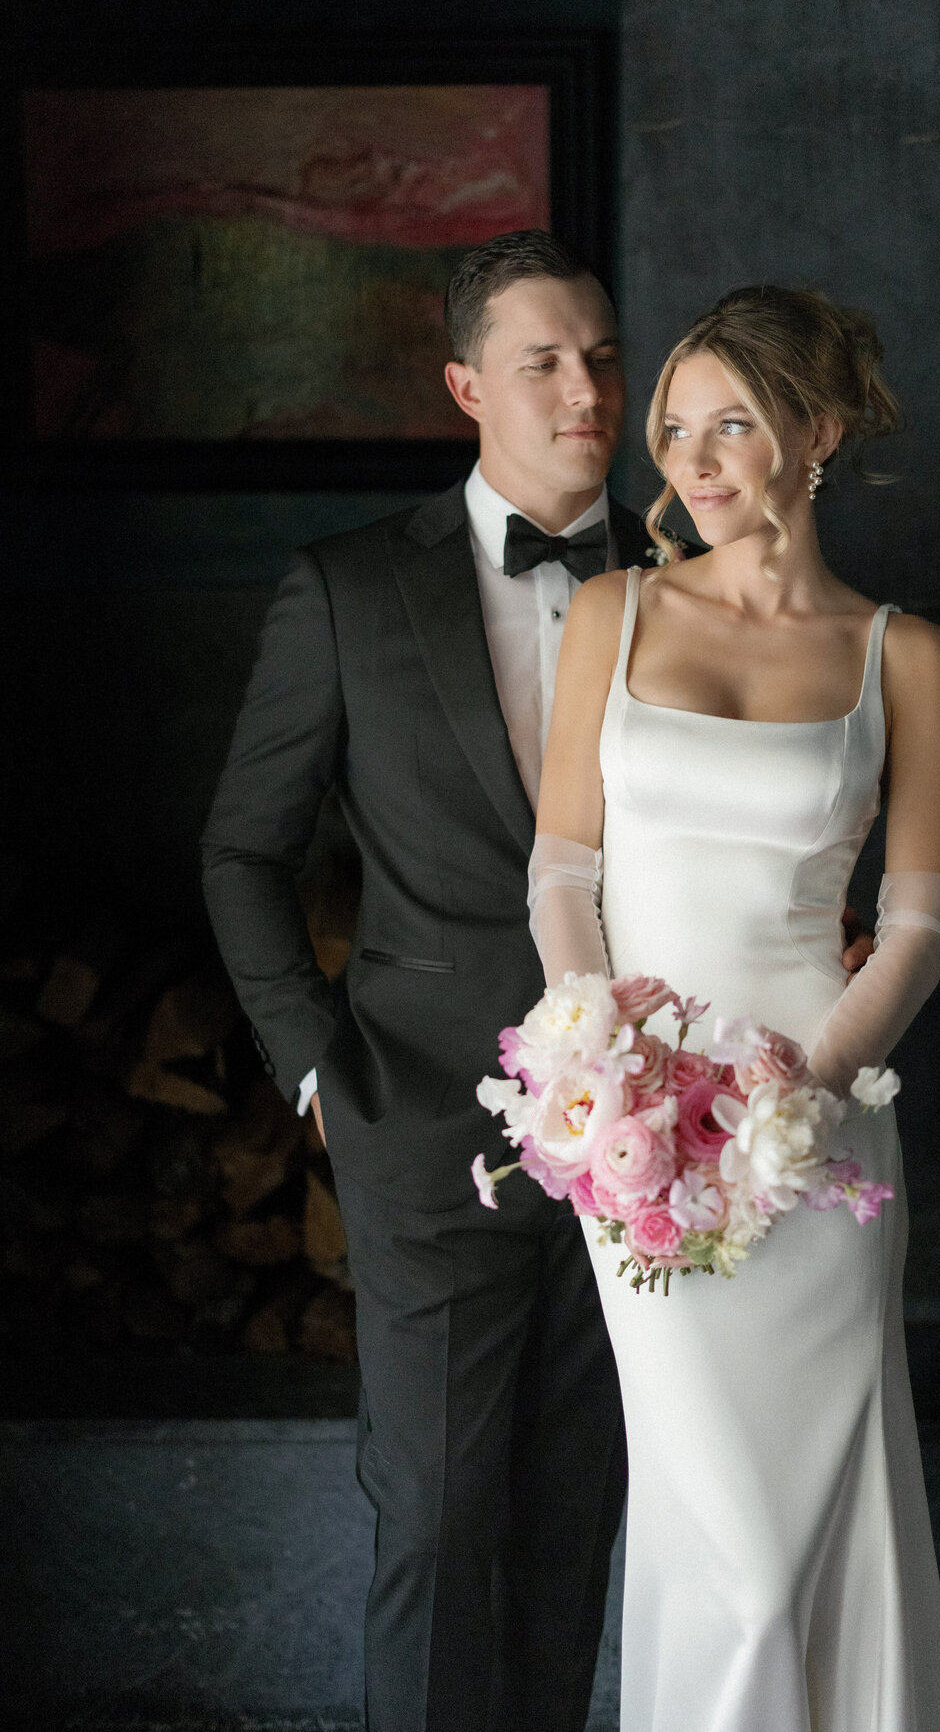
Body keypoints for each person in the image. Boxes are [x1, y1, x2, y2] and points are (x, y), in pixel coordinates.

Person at [530, 284, 940, 1730]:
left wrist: (800, 1083)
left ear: (822, 433)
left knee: (806, 1517)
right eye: (675, 431)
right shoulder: (612, 615)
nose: (694, 461)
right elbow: (562, 873)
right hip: (642, 1138)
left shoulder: (903, 656)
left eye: (734, 423)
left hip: (817, 1140)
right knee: (723, 1533)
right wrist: (602, 1055)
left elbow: (917, 923)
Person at [201, 231, 645, 1732]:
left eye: (600, 354)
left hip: (652, 1135)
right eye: (543, 360)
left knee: (576, 1512)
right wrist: (316, 1066)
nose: (583, 386)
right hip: (424, 1121)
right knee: (446, 1519)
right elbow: (242, 854)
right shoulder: (344, 591)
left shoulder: (689, 584)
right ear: (466, 385)